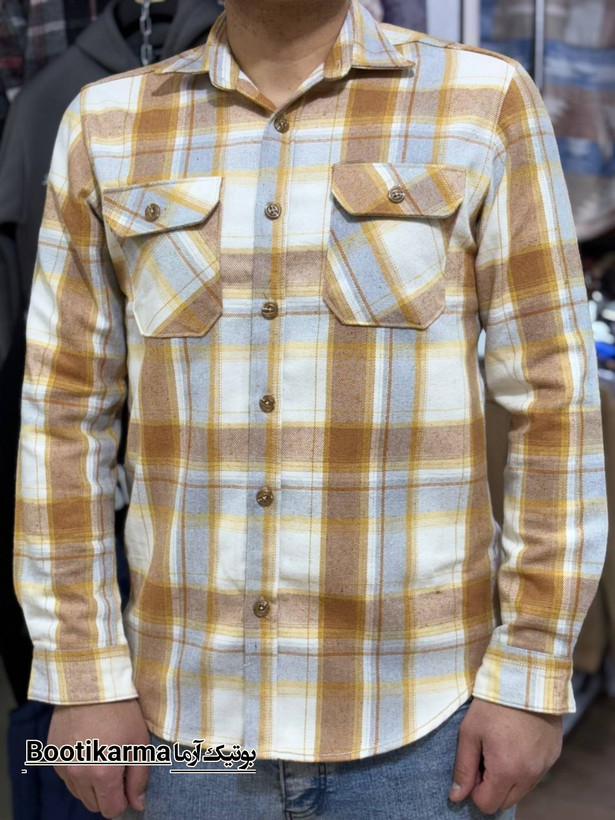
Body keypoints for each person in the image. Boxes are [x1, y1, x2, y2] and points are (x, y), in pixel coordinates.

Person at [13, 1, 608, 818]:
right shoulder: (105, 124)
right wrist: (81, 675)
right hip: (181, 721)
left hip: (428, 722)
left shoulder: (484, 101)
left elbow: (554, 400)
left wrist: (532, 674)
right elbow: (62, 413)